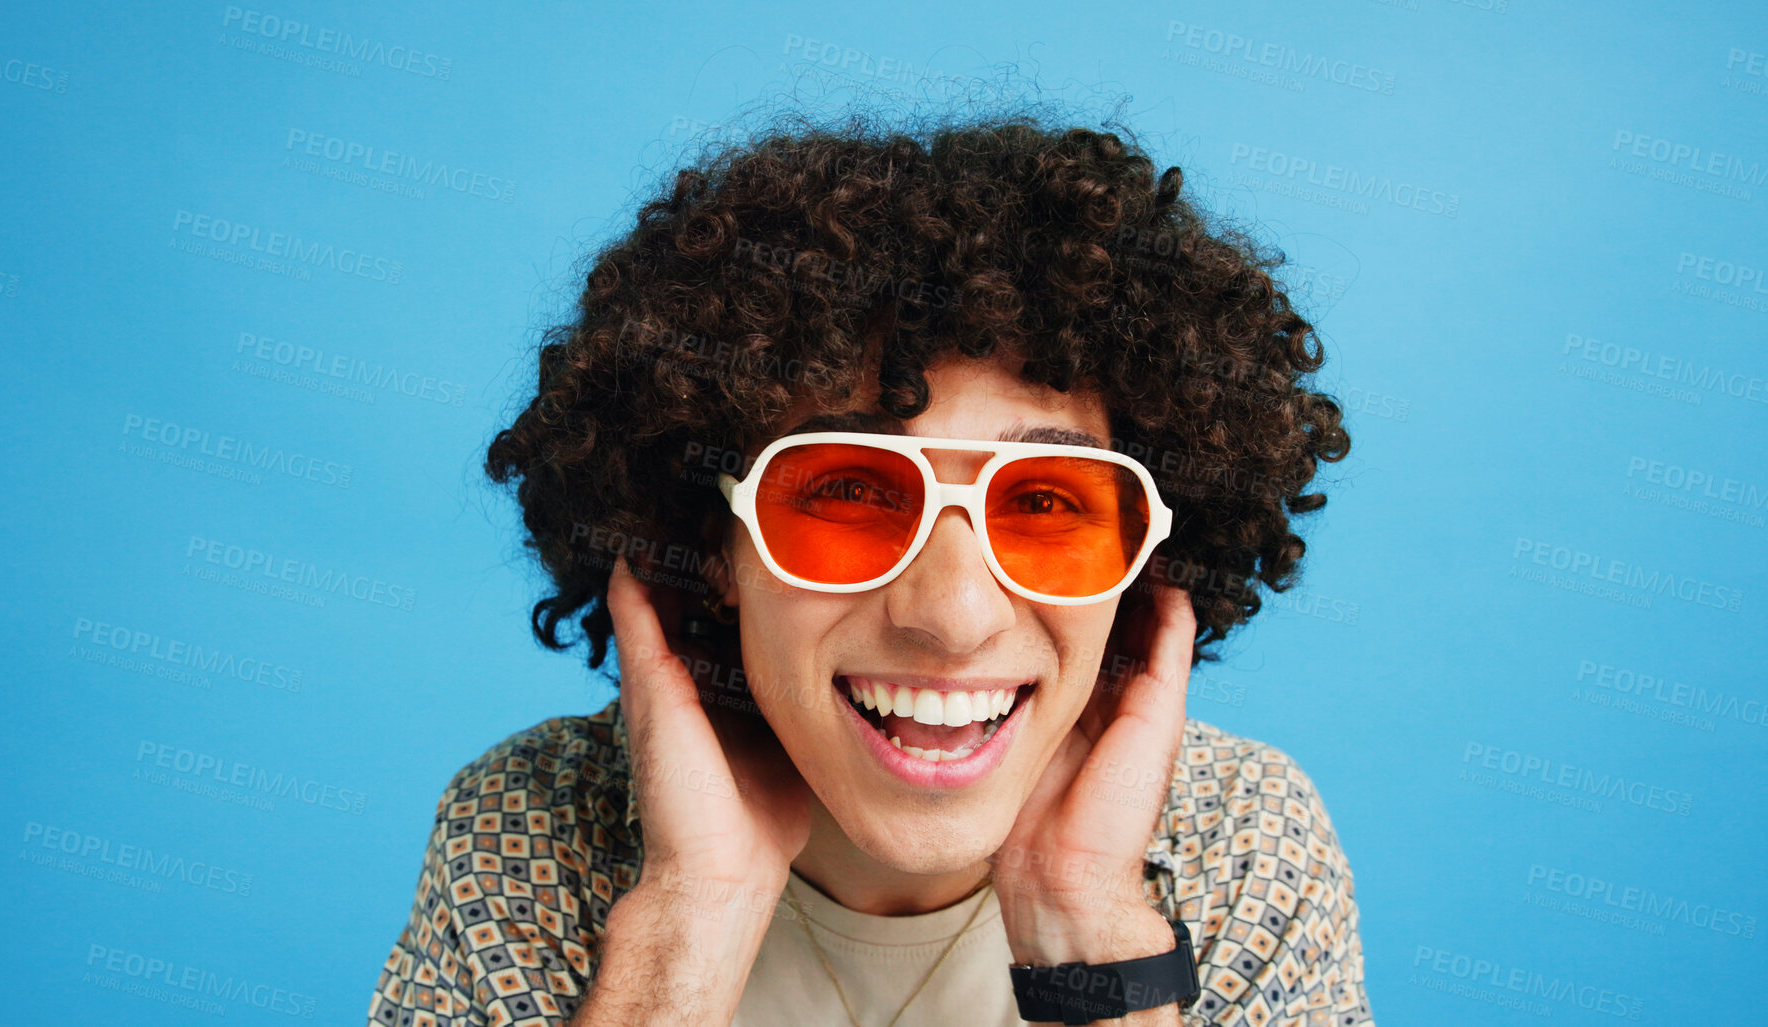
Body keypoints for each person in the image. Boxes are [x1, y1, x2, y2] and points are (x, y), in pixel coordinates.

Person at [369, 111, 1370, 1026]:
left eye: (1044, 502)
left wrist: (1089, 925)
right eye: (849, 493)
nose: (954, 613)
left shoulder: (1245, 840)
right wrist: (687, 927)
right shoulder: (528, 825)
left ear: (1141, 562)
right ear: (713, 546)